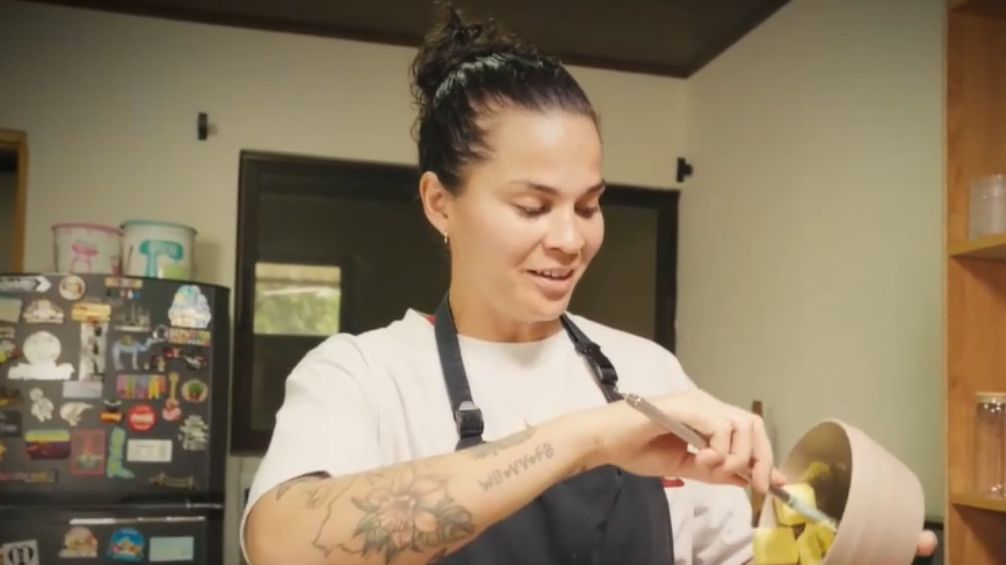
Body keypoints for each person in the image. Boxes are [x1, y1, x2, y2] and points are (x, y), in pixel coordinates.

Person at [241, 5, 938, 564]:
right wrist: (591, 439)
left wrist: (840, 546)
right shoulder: (365, 374)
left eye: (588, 203)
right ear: (439, 202)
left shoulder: (647, 369)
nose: (571, 239)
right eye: (532, 206)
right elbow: (281, 543)